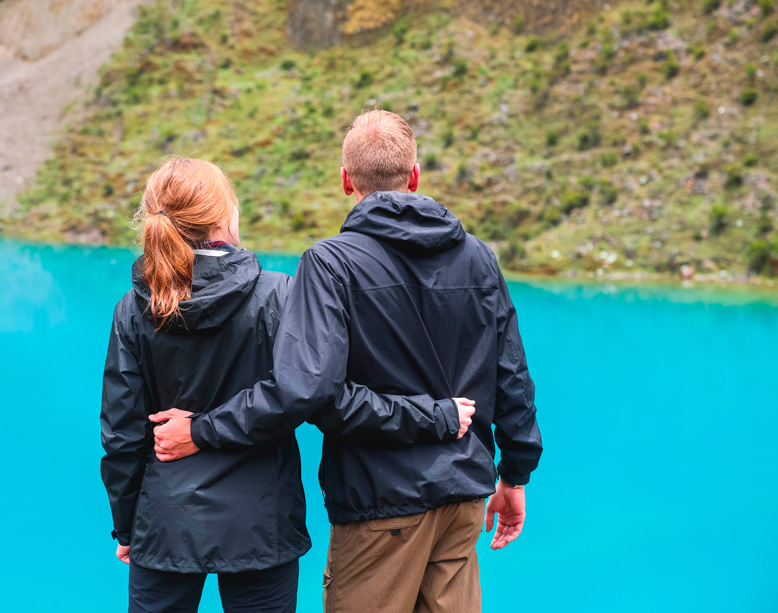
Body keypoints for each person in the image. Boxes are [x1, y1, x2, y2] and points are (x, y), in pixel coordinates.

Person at [152, 112, 543, 612]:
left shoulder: (329, 263)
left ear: (345, 180)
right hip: (463, 497)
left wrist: (203, 431)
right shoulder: (478, 256)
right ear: (415, 175)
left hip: (380, 505)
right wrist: (514, 475)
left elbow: (307, 392)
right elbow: (511, 375)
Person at [100, 157, 476, 613]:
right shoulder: (279, 294)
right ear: (224, 216)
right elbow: (325, 401)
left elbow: (122, 434)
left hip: (164, 523)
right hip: (261, 525)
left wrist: (127, 526)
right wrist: (432, 415)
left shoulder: (134, 307)